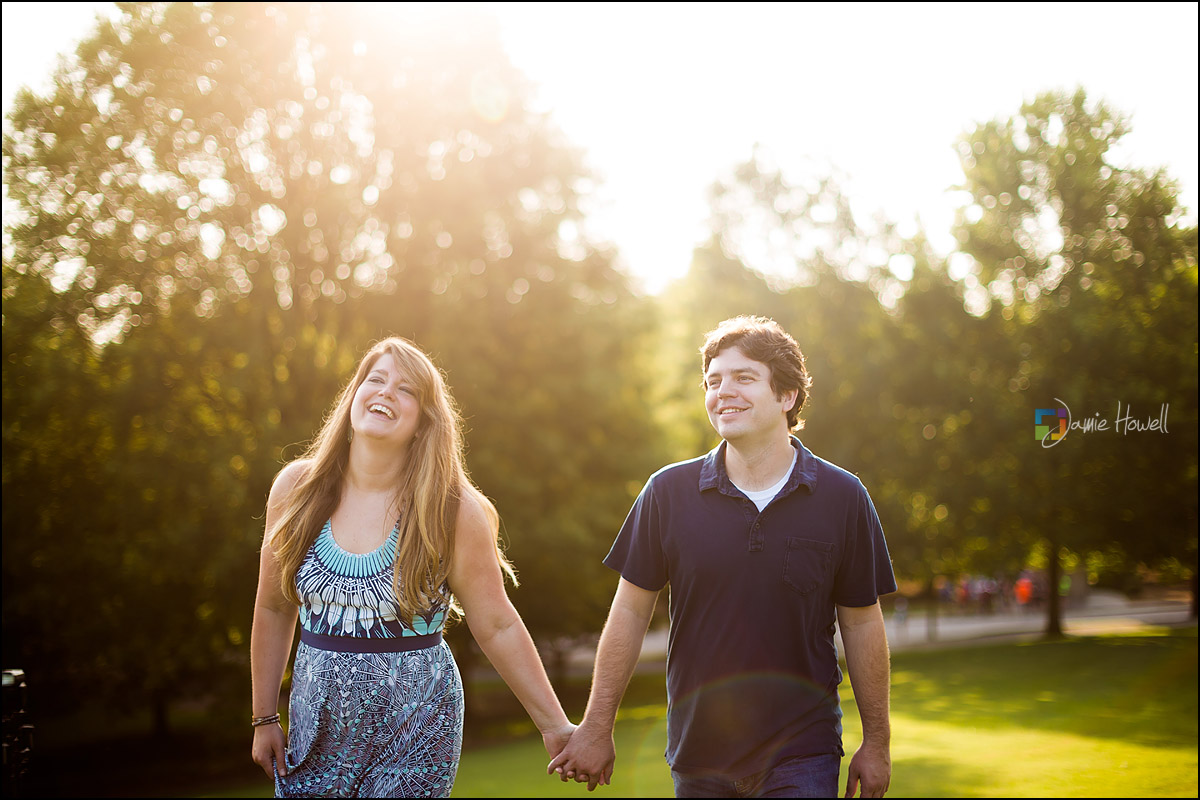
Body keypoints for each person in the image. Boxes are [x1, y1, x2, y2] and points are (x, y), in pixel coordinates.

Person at [549, 316, 897, 797]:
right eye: (713, 380)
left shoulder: (843, 497)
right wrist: (596, 725)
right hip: (699, 757)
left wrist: (877, 741)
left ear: (787, 396)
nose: (722, 391)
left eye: (743, 378)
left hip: (802, 752)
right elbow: (629, 612)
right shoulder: (667, 492)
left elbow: (861, 623)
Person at [251, 337, 574, 797]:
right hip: (314, 732)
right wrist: (264, 716)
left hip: (417, 729)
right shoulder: (296, 489)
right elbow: (273, 608)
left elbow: (497, 623)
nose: (385, 392)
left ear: (424, 422)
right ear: (353, 397)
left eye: (405, 390)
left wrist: (555, 726)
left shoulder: (453, 510)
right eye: (375, 379)